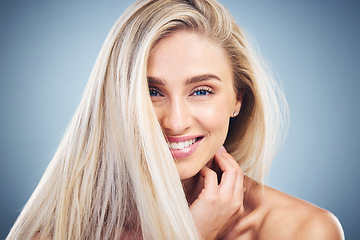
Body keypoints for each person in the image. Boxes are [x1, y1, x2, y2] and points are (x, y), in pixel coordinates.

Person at [7, 0, 344, 239]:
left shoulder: (303, 231)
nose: (176, 122)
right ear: (117, 101)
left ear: (238, 99)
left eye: (201, 91)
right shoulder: (59, 234)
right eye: (151, 91)